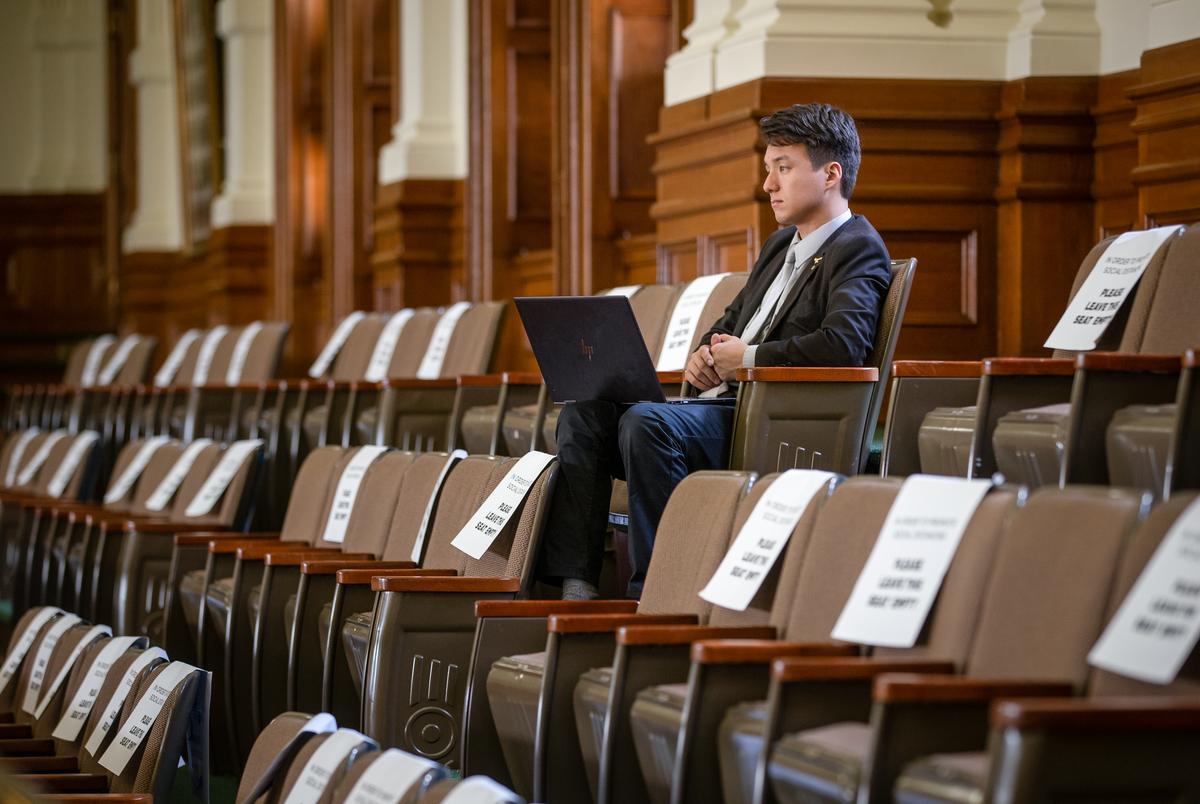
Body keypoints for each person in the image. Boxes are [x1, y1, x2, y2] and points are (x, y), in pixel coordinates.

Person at [538, 102, 892, 599]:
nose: (768, 185)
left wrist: (746, 360)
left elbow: (845, 344)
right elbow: (730, 323)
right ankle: (579, 587)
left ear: (830, 173)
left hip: (780, 420)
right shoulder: (778, 246)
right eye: (768, 170)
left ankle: (658, 593)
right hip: (725, 407)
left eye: (782, 168)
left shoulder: (857, 246)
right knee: (586, 413)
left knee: (647, 422)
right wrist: (706, 354)